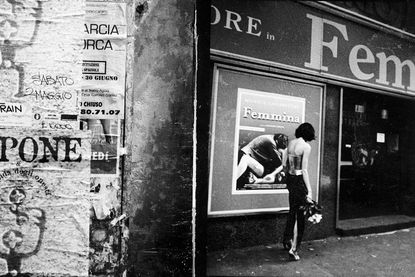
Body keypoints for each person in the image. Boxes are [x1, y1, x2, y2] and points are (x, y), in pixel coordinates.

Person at [283, 122, 315, 261]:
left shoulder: (291, 143)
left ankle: (287, 240)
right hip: (299, 181)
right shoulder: (306, 146)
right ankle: (294, 249)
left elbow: (284, 164)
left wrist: (288, 178)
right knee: (300, 216)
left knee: (292, 211)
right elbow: (304, 170)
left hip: (290, 179)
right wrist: (309, 190)